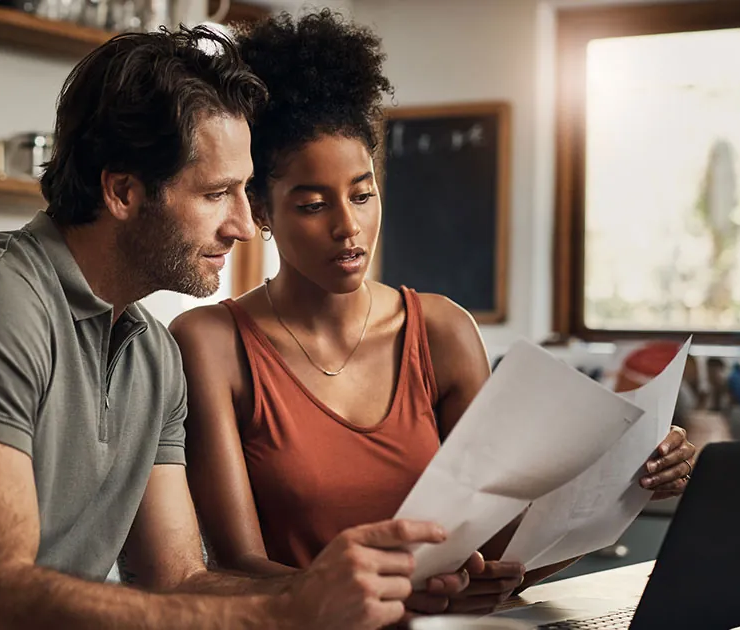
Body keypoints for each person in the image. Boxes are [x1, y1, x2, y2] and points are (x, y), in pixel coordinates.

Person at [0, 26, 468, 630]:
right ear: (122, 192)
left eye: (243, 191)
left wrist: (352, 593)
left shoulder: (151, 353)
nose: (240, 223)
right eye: (214, 195)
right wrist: (287, 612)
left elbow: (179, 581)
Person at [170, 11, 697, 616]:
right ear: (260, 209)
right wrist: (393, 594)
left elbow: (503, 548)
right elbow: (236, 566)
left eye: (363, 194)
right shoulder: (211, 343)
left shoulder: (442, 332)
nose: (349, 227)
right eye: (313, 204)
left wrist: (630, 482)